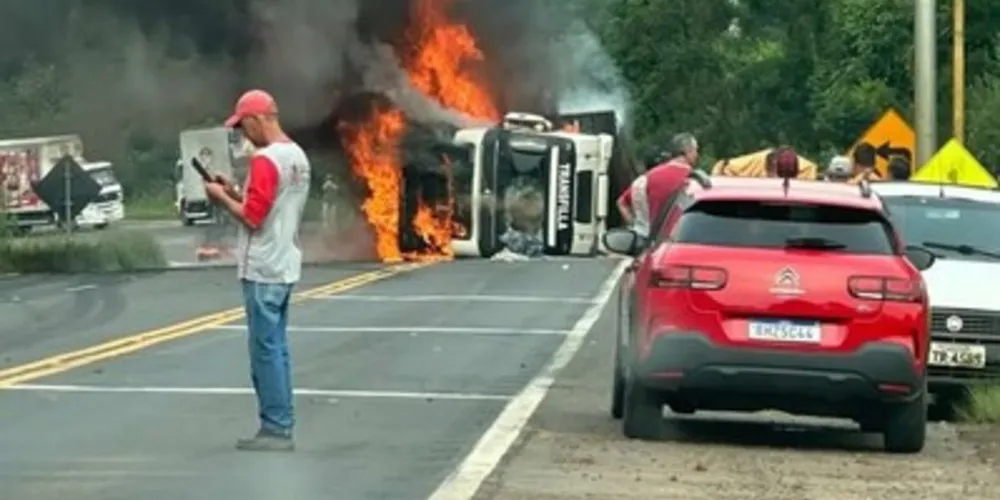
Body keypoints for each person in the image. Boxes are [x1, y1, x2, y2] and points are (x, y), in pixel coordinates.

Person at [204, 89, 311, 452]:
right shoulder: (297, 156)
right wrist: (234, 188)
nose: (243, 135)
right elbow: (270, 203)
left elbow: (253, 217)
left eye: (243, 126)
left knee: (265, 351)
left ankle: (276, 427)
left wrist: (220, 198)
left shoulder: (265, 160)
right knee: (277, 348)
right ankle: (281, 421)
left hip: (262, 266)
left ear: (256, 119)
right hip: (285, 261)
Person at [616, 132, 698, 238]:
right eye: (696, 150)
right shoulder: (693, 179)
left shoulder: (647, 178)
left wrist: (637, 226)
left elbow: (621, 203)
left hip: (647, 240)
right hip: (678, 241)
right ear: (688, 151)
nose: (696, 155)